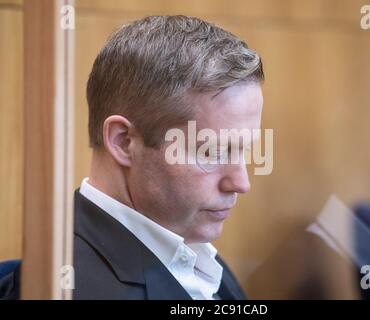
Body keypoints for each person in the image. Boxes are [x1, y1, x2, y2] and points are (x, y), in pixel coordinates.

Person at [0, 15, 264, 300]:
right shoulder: (69, 290)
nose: (241, 182)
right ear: (124, 142)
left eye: (244, 150)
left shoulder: (191, 253)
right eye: (211, 152)